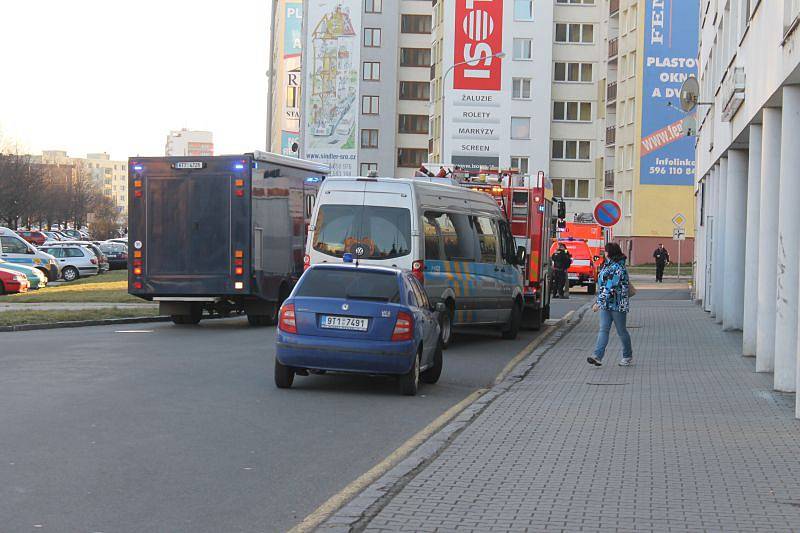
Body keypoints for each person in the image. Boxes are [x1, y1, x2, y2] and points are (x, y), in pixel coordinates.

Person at [588, 242, 633, 367]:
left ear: (610, 253)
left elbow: (610, 286)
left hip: (618, 304)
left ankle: (627, 355)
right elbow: (603, 286)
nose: (604, 253)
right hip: (606, 304)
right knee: (603, 329)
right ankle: (597, 356)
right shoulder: (607, 265)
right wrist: (600, 301)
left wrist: (598, 303)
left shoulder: (618, 268)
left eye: (606, 251)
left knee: (621, 331)